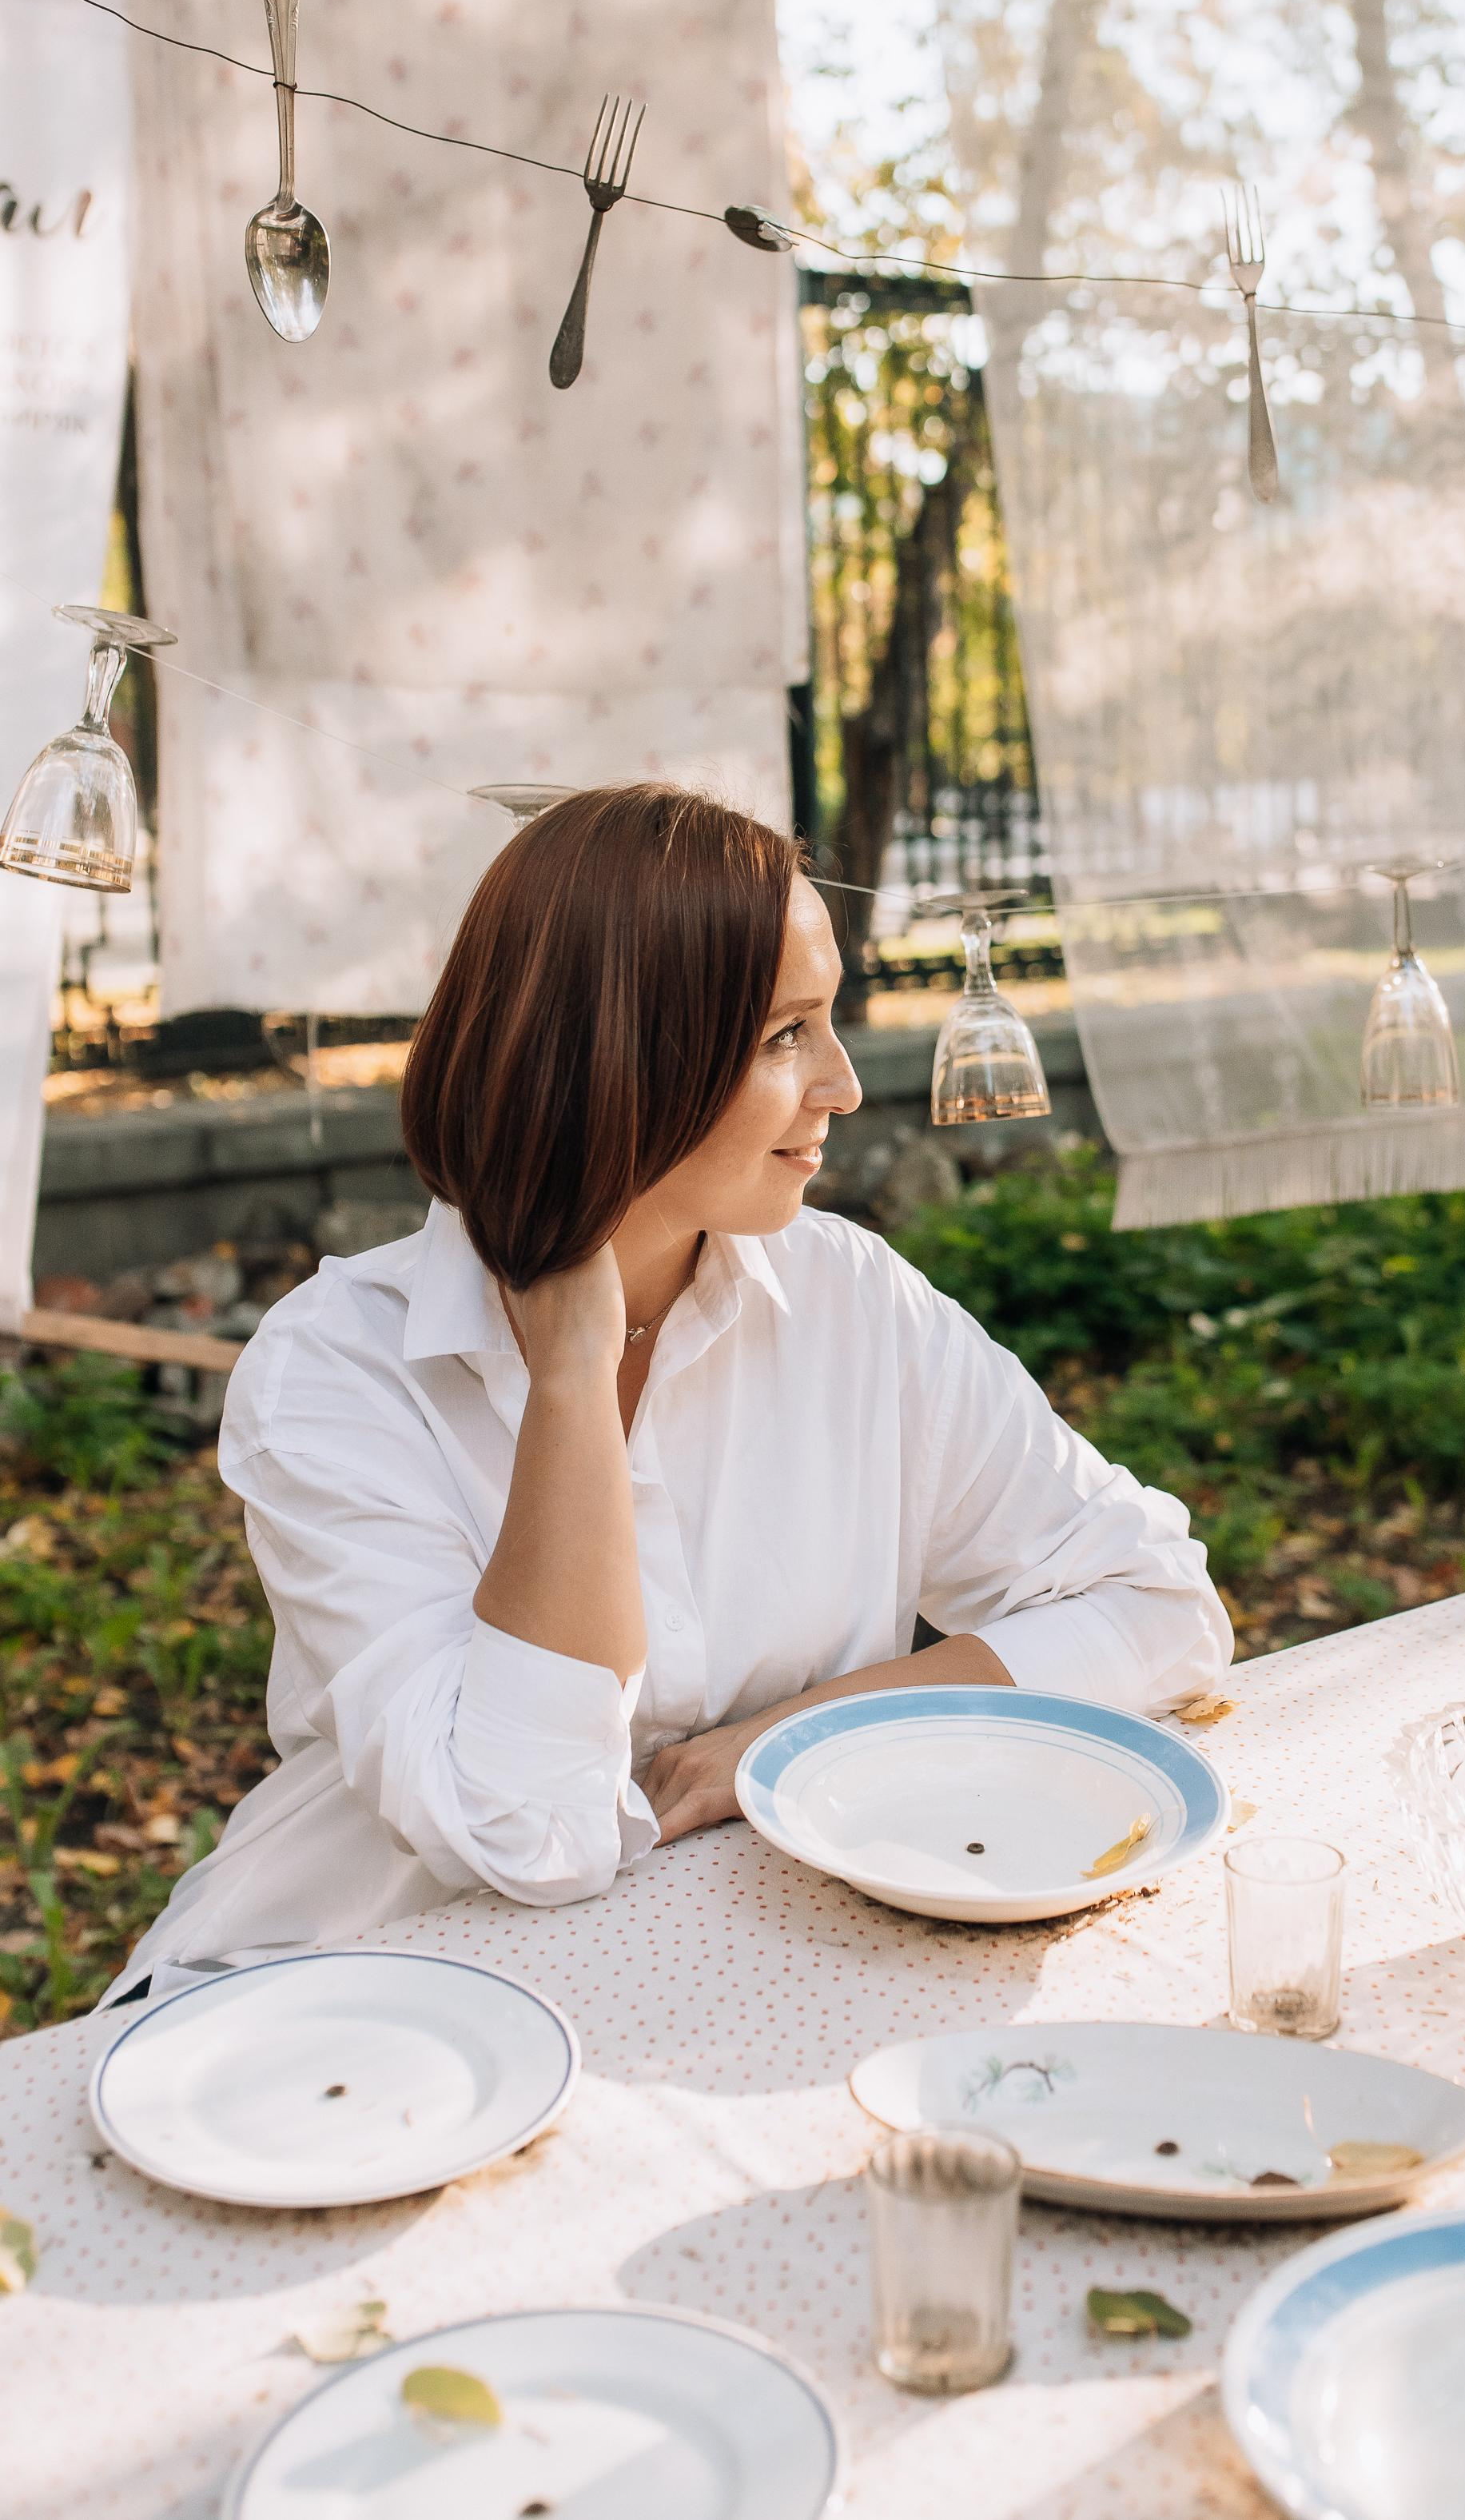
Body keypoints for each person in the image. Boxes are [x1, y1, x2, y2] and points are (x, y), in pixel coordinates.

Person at [113, 784, 1229, 1994]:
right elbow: (528, 1831)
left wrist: (796, 1738)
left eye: (830, 1021)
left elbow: (1161, 1608)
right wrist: (573, 1383)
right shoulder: (338, 1368)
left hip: (733, 1980)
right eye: (783, 1037)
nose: (846, 1086)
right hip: (335, 1999)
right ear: (619, 1066)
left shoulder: (854, 1302)